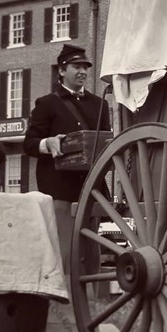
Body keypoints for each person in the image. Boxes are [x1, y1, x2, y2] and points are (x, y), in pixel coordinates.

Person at [23, 43, 111, 268]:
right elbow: (29, 144)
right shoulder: (47, 104)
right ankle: (63, 301)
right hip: (59, 189)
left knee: (91, 251)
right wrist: (48, 143)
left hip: (91, 188)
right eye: (76, 66)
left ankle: (90, 299)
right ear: (61, 71)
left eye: (85, 67)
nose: (82, 71)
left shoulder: (99, 104)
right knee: (63, 250)